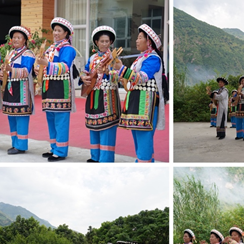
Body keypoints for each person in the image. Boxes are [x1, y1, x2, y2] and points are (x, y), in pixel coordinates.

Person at [110, 24, 168, 162]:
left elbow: (141, 78)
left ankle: (143, 163)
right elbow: (126, 78)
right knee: (138, 135)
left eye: (140, 37)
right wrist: (109, 72)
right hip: (136, 101)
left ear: (148, 41)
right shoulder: (140, 59)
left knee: (144, 137)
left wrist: (122, 68)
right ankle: (145, 161)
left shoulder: (153, 58)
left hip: (146, 102)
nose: (136, 40)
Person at [37, 17, 76, 162]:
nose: (56, 33)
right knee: (51, 119)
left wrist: (46, 64)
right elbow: (43, 66)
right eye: (55, 30)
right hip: (49, 87)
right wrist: (38, 67)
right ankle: (54, 147)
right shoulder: (51, 48)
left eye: (59, 30)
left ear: (66, 33)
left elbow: (65, 67)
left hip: (61, 88)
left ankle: (61, 150)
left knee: (60, 120)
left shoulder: (68, 49)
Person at [80, 25, 120, 162]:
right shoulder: (92, 59)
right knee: (94, 126)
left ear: (111, 42)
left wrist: (108, 72)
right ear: (96, 42)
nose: (104, 44)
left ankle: (106, 159)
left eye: (107, 41)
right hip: (93, 94)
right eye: (101, 41)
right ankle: (95, 156)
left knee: (106, 128)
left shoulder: (114, 59)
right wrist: (83, 78)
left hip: (107, 96)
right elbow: (86, 72)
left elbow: (118, 78)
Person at [0, 26, 35, 155]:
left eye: (19, 37)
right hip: (10, 89)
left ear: (24, 40)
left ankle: (21, 145)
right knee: (12, 117)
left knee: (21, 118)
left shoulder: (28, 54)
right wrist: (2, 74)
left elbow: (26, 71)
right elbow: (5, 70)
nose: (16, 40)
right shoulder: (11, 53)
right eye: (14, 37)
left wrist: (9, 70)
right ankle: (14, 143)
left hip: (22, 90)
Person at [234, 75, 244, 141]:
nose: (243, 82)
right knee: (238, 121)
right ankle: (239, 135)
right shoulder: (238, 90)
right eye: (242, 81)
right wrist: (237, 94)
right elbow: (234, 97)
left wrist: (241, 94)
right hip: (239, 106)